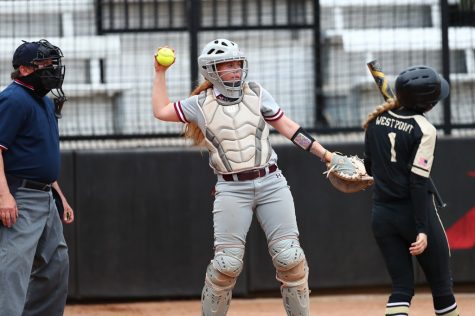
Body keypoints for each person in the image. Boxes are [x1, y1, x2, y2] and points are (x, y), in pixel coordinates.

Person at [152, 38, 355, 316]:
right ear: (211, 70)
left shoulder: (256, 92)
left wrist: (326, 155)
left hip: (272, 183)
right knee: (226, 265)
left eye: (238, 63)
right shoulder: (199, 104)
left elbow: (288, 127)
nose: (236, 70)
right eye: (228, 65)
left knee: (289, 258)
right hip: (232, 189)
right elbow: (161, 111)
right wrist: (160, 72)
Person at [363, 65, 459, 316]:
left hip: (382, 216)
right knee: (441, 287)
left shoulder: (374, 121)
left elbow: (369, 168)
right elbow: (417, 183)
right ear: (428, 105)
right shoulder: (425, 129)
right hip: (414, 214)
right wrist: (421, 229)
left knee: (402, 289)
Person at [0, 39, 75, 316]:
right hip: (20, 196)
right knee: (13, 268)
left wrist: (59, 195)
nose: (51, 69)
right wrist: (4, 196)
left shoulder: (42, 101)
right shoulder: (13, 99)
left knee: (55, 265)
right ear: (23, 69)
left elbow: (39, 154)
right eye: (43, 64)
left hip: (44, 196)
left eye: (52, 63)